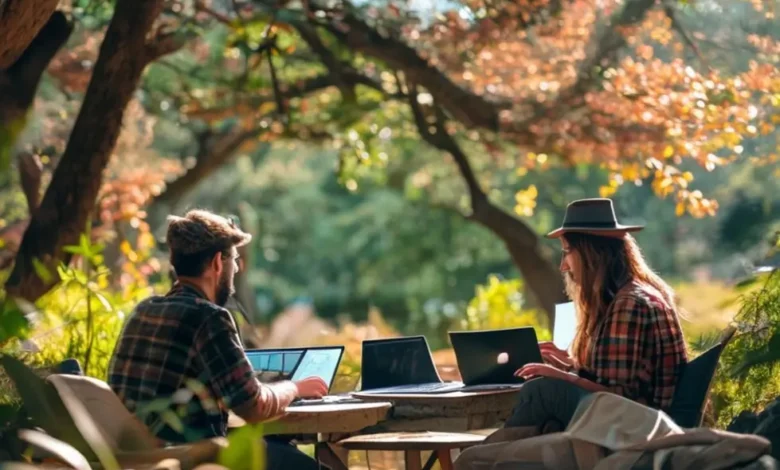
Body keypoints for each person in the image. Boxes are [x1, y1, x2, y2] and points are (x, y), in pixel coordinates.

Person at [107, 210, 328, 470]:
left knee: (278, 449)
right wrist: (294, 388)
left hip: (136, 460)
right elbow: (254, 406)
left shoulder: (142, 311)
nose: (237, 267)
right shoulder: (209, 318)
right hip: (193, 459)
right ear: (216, 263)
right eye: (234, 259)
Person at [502, 198, 688, 431]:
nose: (563, 266)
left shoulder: (629, 304)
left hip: (641, 427)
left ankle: (488, 457)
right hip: (637, 418)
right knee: (541, 403)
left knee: (541, 391)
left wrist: (562, 377)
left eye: (567, 252)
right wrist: (569, 366)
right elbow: (612, 381)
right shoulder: (629, 296)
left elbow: (618, 397)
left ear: (591, 254)